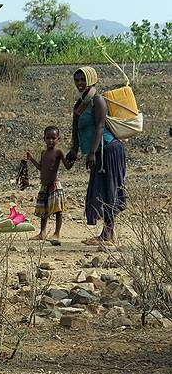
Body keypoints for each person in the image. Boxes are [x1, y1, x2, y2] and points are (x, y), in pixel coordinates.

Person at [66, 67, 126, 246]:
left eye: (82, 79)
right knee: (100, 188)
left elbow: (100, 127)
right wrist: (74, 150)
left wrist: (91, 152)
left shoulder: (97, 100)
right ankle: (107, 233)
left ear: (91, 80)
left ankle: (108, 235)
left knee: (108, 188)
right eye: (76, 80)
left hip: (108, 149)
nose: (79, 83)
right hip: (97, 151)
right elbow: (76, 129)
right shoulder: (79, 104)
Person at [26, 126, 73, 245]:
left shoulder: (58, 152)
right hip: (44, 186)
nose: (51, 140)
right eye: (48, 138)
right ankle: (42, 232)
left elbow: (67, 166)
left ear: (58, 139)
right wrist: (31, 159)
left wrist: (72, 158)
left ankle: (57, 233)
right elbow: (41, 168)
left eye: (53, 138)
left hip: (54, 185)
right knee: (44, 211)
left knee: (58, 211)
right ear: (44, 139)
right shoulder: (43, 153)